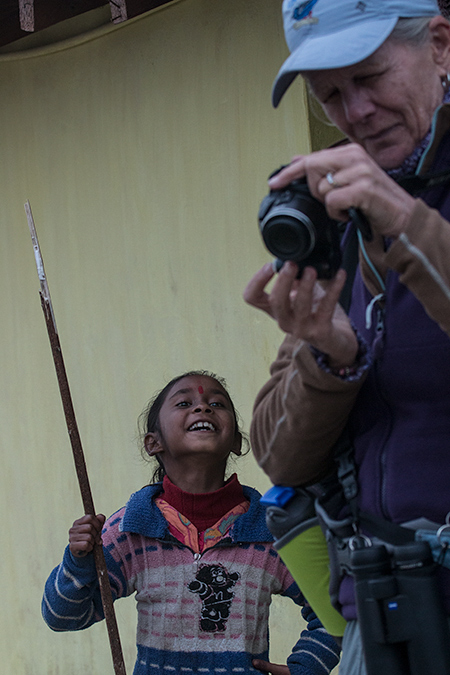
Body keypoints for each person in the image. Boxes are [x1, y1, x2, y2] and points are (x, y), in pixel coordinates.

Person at [243, 1, 450, 673]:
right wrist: (331, 356)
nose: (354, 111)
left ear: (441, 46)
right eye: (330, 94)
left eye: (370, 76)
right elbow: (276, 455)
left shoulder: (378, 205)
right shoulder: (340, 217)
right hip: (389, 607)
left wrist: (404, 220)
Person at [42, 371, 340, 675]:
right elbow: (62, 616)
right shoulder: (130, 529)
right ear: (153, 443)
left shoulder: (272, 530)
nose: (203, 408)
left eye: (217, 403)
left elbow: (334, 610)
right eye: (184, 403)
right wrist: (78, 561)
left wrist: (306, 669)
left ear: (237, 441)